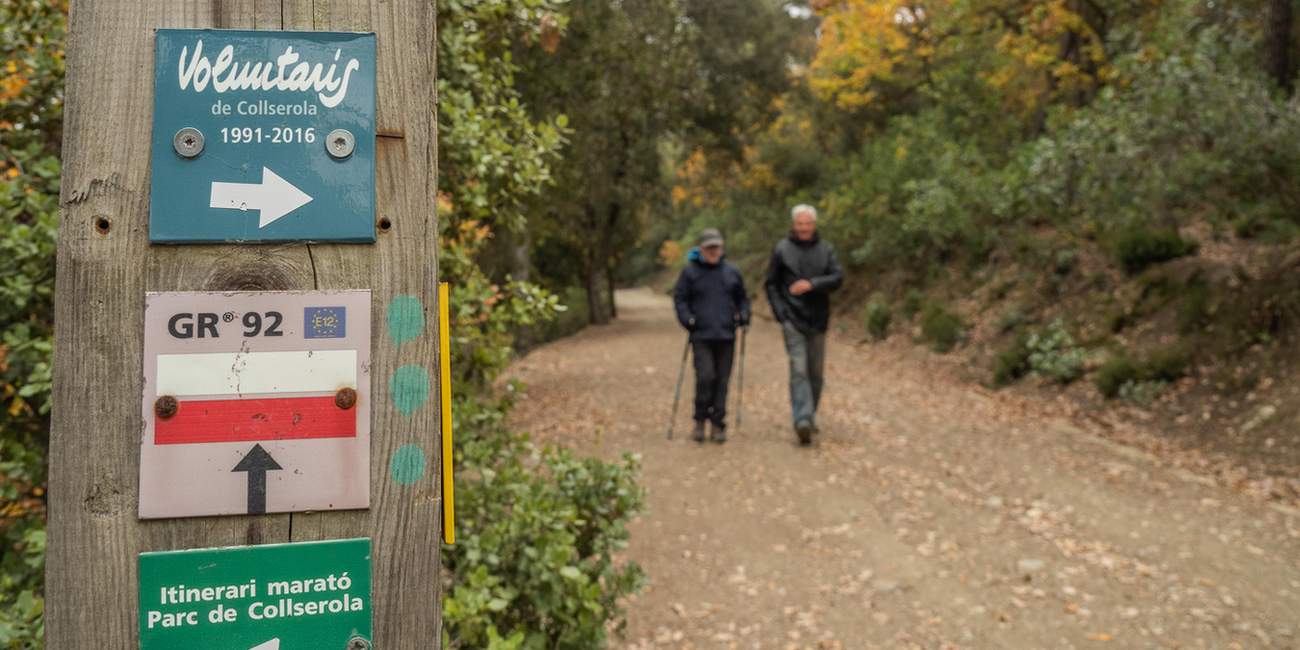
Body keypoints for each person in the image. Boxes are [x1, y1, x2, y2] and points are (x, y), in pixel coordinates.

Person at [765, 204, 843, 445]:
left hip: (819, 320)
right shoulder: (782, 249)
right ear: (793, 225)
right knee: (798, 370)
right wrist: (781, 314)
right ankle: (802, 420)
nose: (803, 228)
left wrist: (812, 284)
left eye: (807, 223)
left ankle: (809, 414)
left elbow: (837, 277)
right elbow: (770, 284)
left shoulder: (826, 250)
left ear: (814, 225)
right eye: (800, 223)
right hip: (792, 320)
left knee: (815, 374)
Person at [673, 228, 751, 444]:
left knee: (722, 380)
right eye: (709, 247)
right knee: (706, 377)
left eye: (716, 247)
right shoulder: (690, 273)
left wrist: (744, 315)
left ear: (722, 247)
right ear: (701, 249)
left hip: (727, 335)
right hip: (701, 335)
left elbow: (743, 298)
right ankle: (700, 420)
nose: (713, 251)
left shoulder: (732, 272)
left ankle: (718, 424)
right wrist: (687, 319)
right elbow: (680, 299)